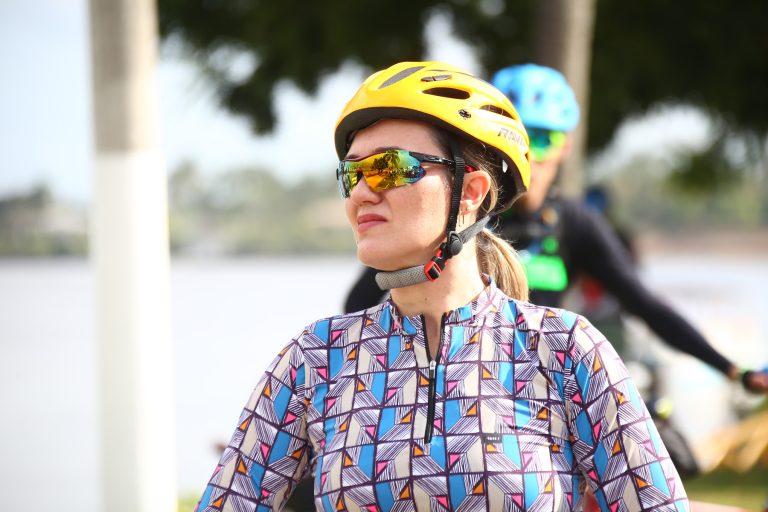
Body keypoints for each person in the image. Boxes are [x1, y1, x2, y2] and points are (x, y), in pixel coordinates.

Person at [196, 61, 689, 511]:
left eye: (389, 167)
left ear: (470, 192)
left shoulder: (565, 351)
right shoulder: (315, 359)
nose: (362, 192)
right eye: (352, 173)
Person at [343, 63, 768, 396]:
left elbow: (644, 303)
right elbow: (361, 301)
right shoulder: (464, 215)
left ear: (565, 147)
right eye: (525, 136)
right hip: (448, 375)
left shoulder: (574, 222)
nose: (534, 154)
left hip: (537, 382)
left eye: (546, 139)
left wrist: (734, 371)